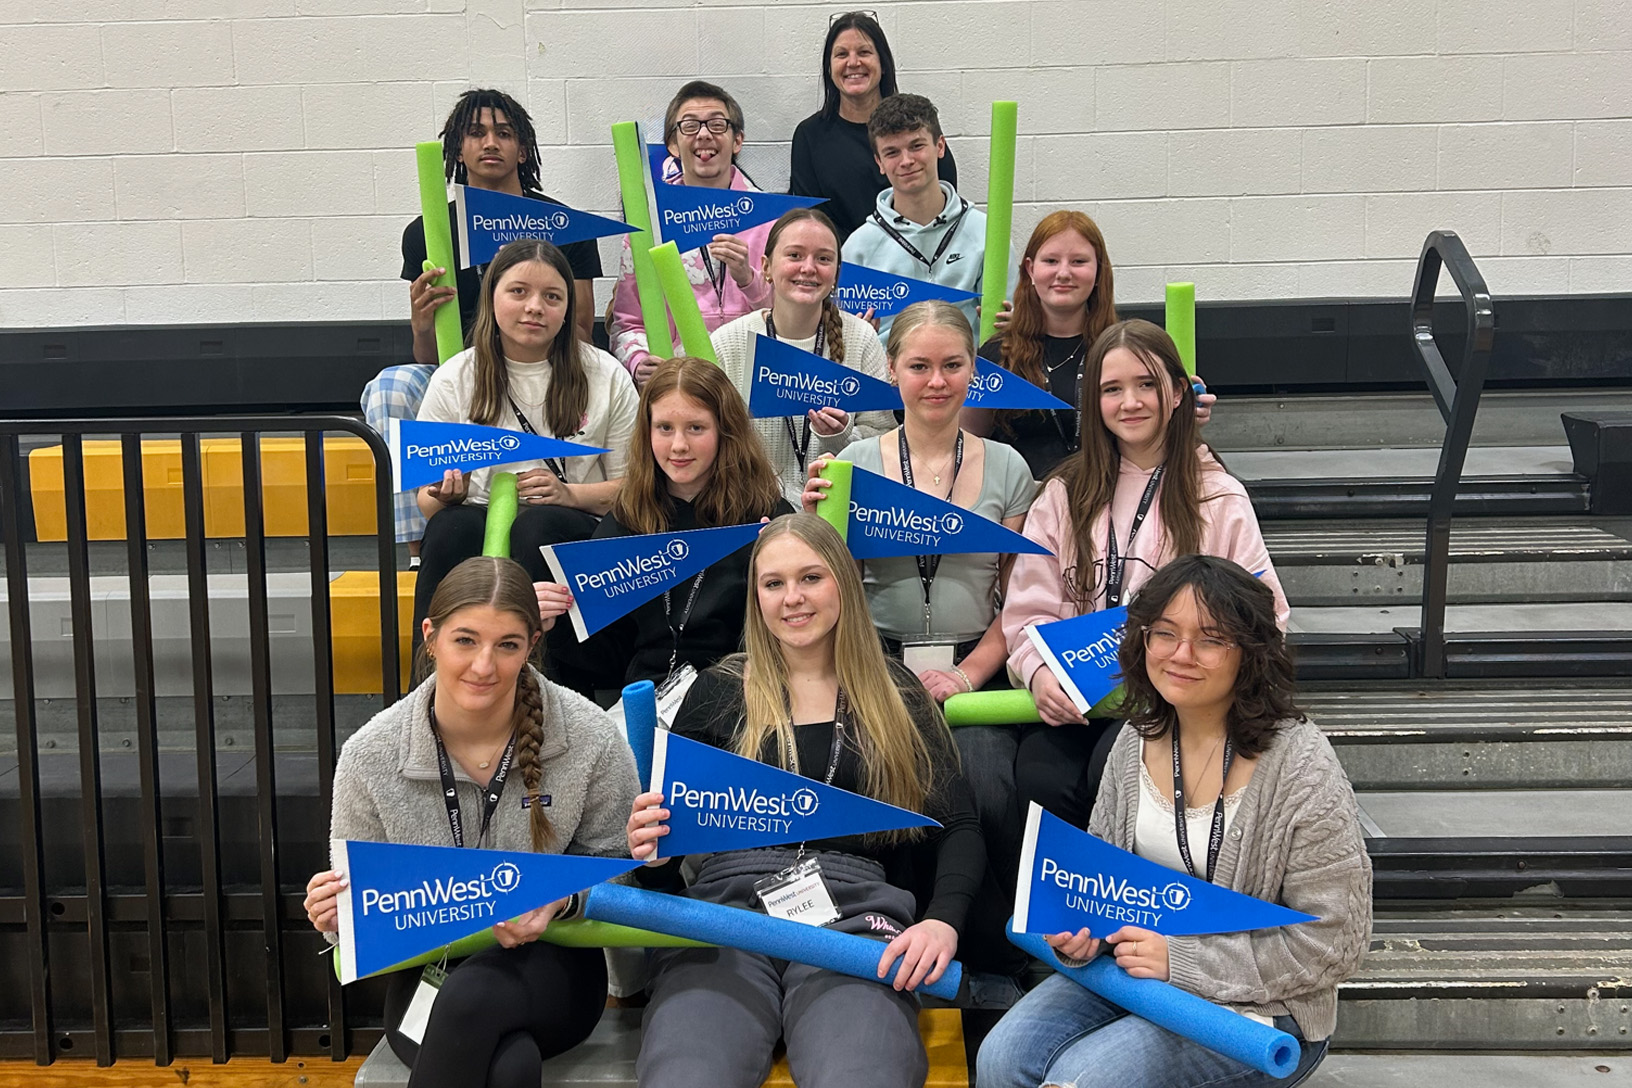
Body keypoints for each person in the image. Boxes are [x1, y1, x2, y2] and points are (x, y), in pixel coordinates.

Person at [977, 555, 1371, 1088]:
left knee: (1083, 1081)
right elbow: (1100, 883)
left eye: (1209, 640)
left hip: (1262, 1011)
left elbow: (1332, 943)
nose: (1181, 655)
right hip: (1133, 975)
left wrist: (1180, 960)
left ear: (1250, 654)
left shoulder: (1301, 767)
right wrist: (1080, 930)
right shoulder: (1134, 741)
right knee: (1000, 1058)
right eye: (1164, 634)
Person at [624, 513, 983, 1088]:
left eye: (811, 577)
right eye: (773, 583)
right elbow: (663, 873)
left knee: (867, 1073)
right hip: (725, 920)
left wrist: (942, 923)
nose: (792, 598)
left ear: (843, 580)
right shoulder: (716, 691)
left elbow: (959, 825)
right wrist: (655, 860)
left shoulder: (898, 695)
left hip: (857, 918)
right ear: (755, 597)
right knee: (686, 1075)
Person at [302, 556, 640, 1088]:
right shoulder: (371, 753)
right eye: (466, 641)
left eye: (507, 645)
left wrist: (562, 898)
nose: (484, 665)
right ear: (430, 637)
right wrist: (336, 913)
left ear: (531, 645)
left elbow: (623, 866)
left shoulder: (589, 735)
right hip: (432, 971)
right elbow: (367, 899)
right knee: (510, 1067)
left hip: (555, 963)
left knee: (476, 997)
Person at [801, 299, 1034, 980]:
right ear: (893, 372)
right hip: (874, 668)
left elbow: (1017, 604)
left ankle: (991, 955)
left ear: (973, 373)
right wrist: (819, 522)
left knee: (988, 786)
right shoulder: (853, 464)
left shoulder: (1009, 468)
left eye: (952, 366)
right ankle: (890, 939)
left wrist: (968, 677)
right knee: (887, 793)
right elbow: (827, 590)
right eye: (919, 366)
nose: (936, 381)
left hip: (974, 673)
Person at [1001, 318, 1287, 832]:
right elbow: (1027, 611)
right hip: (1076, 703)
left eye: (1146, 384)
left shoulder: (1218, 495)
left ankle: (1131, 913)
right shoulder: (1064, 493)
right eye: (1112, 389)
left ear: (1178, 392)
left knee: (1117, 770)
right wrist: (1039, 673)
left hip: (1174, 704)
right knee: (1037, 780)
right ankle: (1064, 913)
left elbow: (1267, 616)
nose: (1130, 402)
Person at [364, 89, 603, 566]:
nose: (490, 142)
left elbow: (581, 330)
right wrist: (422, 323)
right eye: (475, 133)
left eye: (504, 133)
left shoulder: (561, 223)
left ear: (523, 148)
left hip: (544, 369)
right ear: (456, 149)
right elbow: (428, 359)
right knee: (391, 385)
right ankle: (420, 548)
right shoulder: (427, 232)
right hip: (464, 376)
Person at [412, 239, 638, 675]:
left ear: (568, 308)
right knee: (449, 526)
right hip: (477, 519)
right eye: (518, 292)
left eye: (552, 297)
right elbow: (426, 503)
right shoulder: (453, 378)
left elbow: (634, 490)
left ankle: (549, 690)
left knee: (539, 523)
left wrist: (570, 494)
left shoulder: (606, 375)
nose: (535, 307)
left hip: (574, 527)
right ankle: (429, 688)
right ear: (491, 296)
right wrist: (445, 495)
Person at [538, 357, 793, 689]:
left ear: (724, 430)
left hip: (742, 691)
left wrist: (778, 568)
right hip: (647, 699)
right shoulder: (628, 517)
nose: (679, 446)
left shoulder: (765, 514)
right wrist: (552, 624)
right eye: (665, 428)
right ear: (647, 432)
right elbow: (605, 658)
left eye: (696, 428)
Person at [968, 211, 1218, 479]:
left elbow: (1153, 429)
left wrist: (1184, 409)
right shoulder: (998, 355)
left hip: (1107, 500)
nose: (1063, 273)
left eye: (1078, 262)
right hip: (1019, 508)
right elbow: (967, 438)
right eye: (1051, 261)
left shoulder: (1126, 352)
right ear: (1030, 269)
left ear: (1099, 270)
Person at [709, 208, 896, 503]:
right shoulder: (727, 343)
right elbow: (711, 443)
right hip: (753, 510)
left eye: (823, 258)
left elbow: (884, 443)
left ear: (836, 273)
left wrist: (841, 436)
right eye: (794, 255)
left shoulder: (861, 339)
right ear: (766, 267)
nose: (808, 268)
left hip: (836, 509)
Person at [608, 81, 774, 387]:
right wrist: (638, 360)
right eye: (689, 126)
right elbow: (627, 323)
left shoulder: (771, 221)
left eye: (716, 124)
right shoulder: (649, 226)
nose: (703, 134)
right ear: (672, 144)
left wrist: (749, 280)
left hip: (751, 383)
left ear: (737, 140)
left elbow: (794, 315)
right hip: (678, 388)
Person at [840, 93, 1008, 341]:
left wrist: (1016, 326)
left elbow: (1012, 327)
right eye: (892, 152)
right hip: (887, 377)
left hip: (970, 376)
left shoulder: (986, 235)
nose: (906, 161)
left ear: (940, 146)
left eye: (916, 146)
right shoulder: (858, 248)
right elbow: (844, 338)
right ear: (879, 162)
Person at [789, 11, 958, 243]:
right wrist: (863, 257)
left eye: (864, 52)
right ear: (829, 68)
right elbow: (811, 218)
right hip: (845, 268)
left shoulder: (918, 123)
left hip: (919, 258)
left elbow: (944, 198)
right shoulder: (809, 136)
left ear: (883, 63)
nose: (853, 62)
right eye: (841, 54)